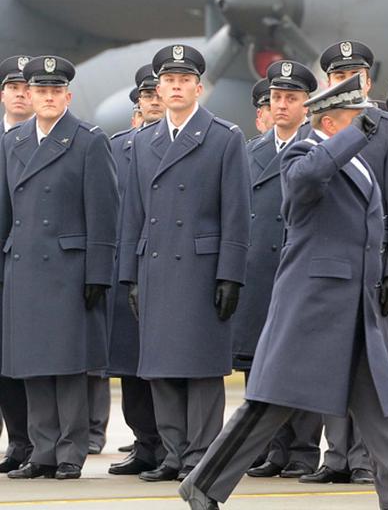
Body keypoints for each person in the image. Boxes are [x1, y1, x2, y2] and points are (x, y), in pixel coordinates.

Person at [178, 74, 388, 510]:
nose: (365, 127)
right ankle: (203, 484)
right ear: (331, 125)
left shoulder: (358, 164)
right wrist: (355, 135)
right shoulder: (301, 154)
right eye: (356, 119)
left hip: (354, 305)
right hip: (311, 304)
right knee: (271, 401)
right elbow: (306, 180)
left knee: (378, 404)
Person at [119, 44, 251, 482]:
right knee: (160, 367)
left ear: (199, 86)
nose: (176, 87)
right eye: (169, 81)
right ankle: (173, 455)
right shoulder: (143, 141)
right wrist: (129, 275)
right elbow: (132, 215)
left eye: (184, 81)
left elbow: (237, 211)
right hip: (156, 265)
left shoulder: (224, 136)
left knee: (201, 369)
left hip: (201, 267)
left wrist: (231, 273)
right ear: (159, 87)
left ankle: (200, 458)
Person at [297, 40, 388, 486]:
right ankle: (336, 458)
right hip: (331, 268)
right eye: (338, 74)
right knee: (331, 363)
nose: (348, 80)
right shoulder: (316, 131)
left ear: (368, 80)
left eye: (357, 73)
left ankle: (366, 459)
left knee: (374, 370)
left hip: (374, 269)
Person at [2, 55, 118, 480]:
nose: (48, 98)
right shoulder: (12, 143)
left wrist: (98, 274)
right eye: (40, 91)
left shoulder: (89, 140)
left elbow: (104, 215)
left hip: (69, 268)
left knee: (68, 367)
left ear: (67, 96)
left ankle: (70, 452)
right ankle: (42, 451)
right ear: (29, 95)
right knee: (32, 365)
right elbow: (4, 211)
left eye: (55, 92)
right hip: (24, 266)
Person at [231, 60, 324, 481]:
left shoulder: (320, 149)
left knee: (302, 363)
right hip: (260, 272)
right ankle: (272, 448)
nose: (282, 105)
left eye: (291, 98)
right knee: (260, 364)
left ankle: (304, 451)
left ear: (308, 105)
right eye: (276, 99)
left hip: (300, 268)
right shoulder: (252, 152)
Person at [107, 64, 166, 477]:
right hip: (129, 267)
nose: (155, 102)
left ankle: (172, 444)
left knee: (168, 365)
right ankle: (145, 444)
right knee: (130, 367)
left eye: (159, 93)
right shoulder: (118, 147)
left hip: (172, 267)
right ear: (139, 103)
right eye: (147, 96)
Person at [0, 55, 34, 473]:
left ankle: (33, 442)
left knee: (30, 359)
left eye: (29, 88)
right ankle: (18, 441)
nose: (23, 94)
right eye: (14, 87)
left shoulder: (43, 139)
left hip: (28, 266)